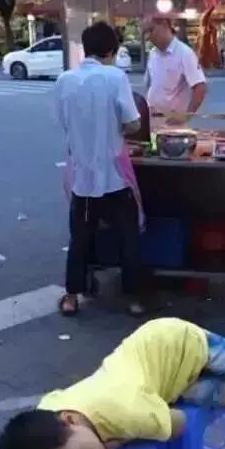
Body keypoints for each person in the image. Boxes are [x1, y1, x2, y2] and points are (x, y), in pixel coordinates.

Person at [0, 318, 225, 449]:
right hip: (157, 374)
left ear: (70, 419)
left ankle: (204, 349)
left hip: (176, 341)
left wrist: (127, 438)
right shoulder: (48, 411)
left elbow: (180, 424)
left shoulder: (129, 414)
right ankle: (187, 380)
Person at [54, 21, 145, 318]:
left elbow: (63, 123)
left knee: (79, 238)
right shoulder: (115, 77)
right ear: (111, 50)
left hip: (82, 177)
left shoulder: (64, 80)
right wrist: (117, 129)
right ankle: (134, 299)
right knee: (128, 236)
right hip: (114, 178)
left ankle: (71, 297)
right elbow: (133, 123)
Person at [144, 17, 207, 121]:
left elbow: (200, 88)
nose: (148, 37)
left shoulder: (185, 53)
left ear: (164, 24)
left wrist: (185, 116)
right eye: (145, 33)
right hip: (152, 118)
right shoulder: (153, 53)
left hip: (173, 121)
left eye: (151, 30)